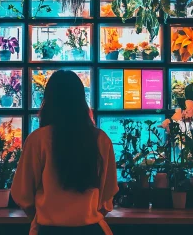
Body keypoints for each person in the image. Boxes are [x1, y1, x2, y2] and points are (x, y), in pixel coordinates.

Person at [11, 70, 119, 235]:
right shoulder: (101, 139)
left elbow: (22, 195)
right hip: (92, 229)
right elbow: (108, 195)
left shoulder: (38, 139)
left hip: (49, 230)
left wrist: (44, 217)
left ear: (48, 101)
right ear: (82, 101)